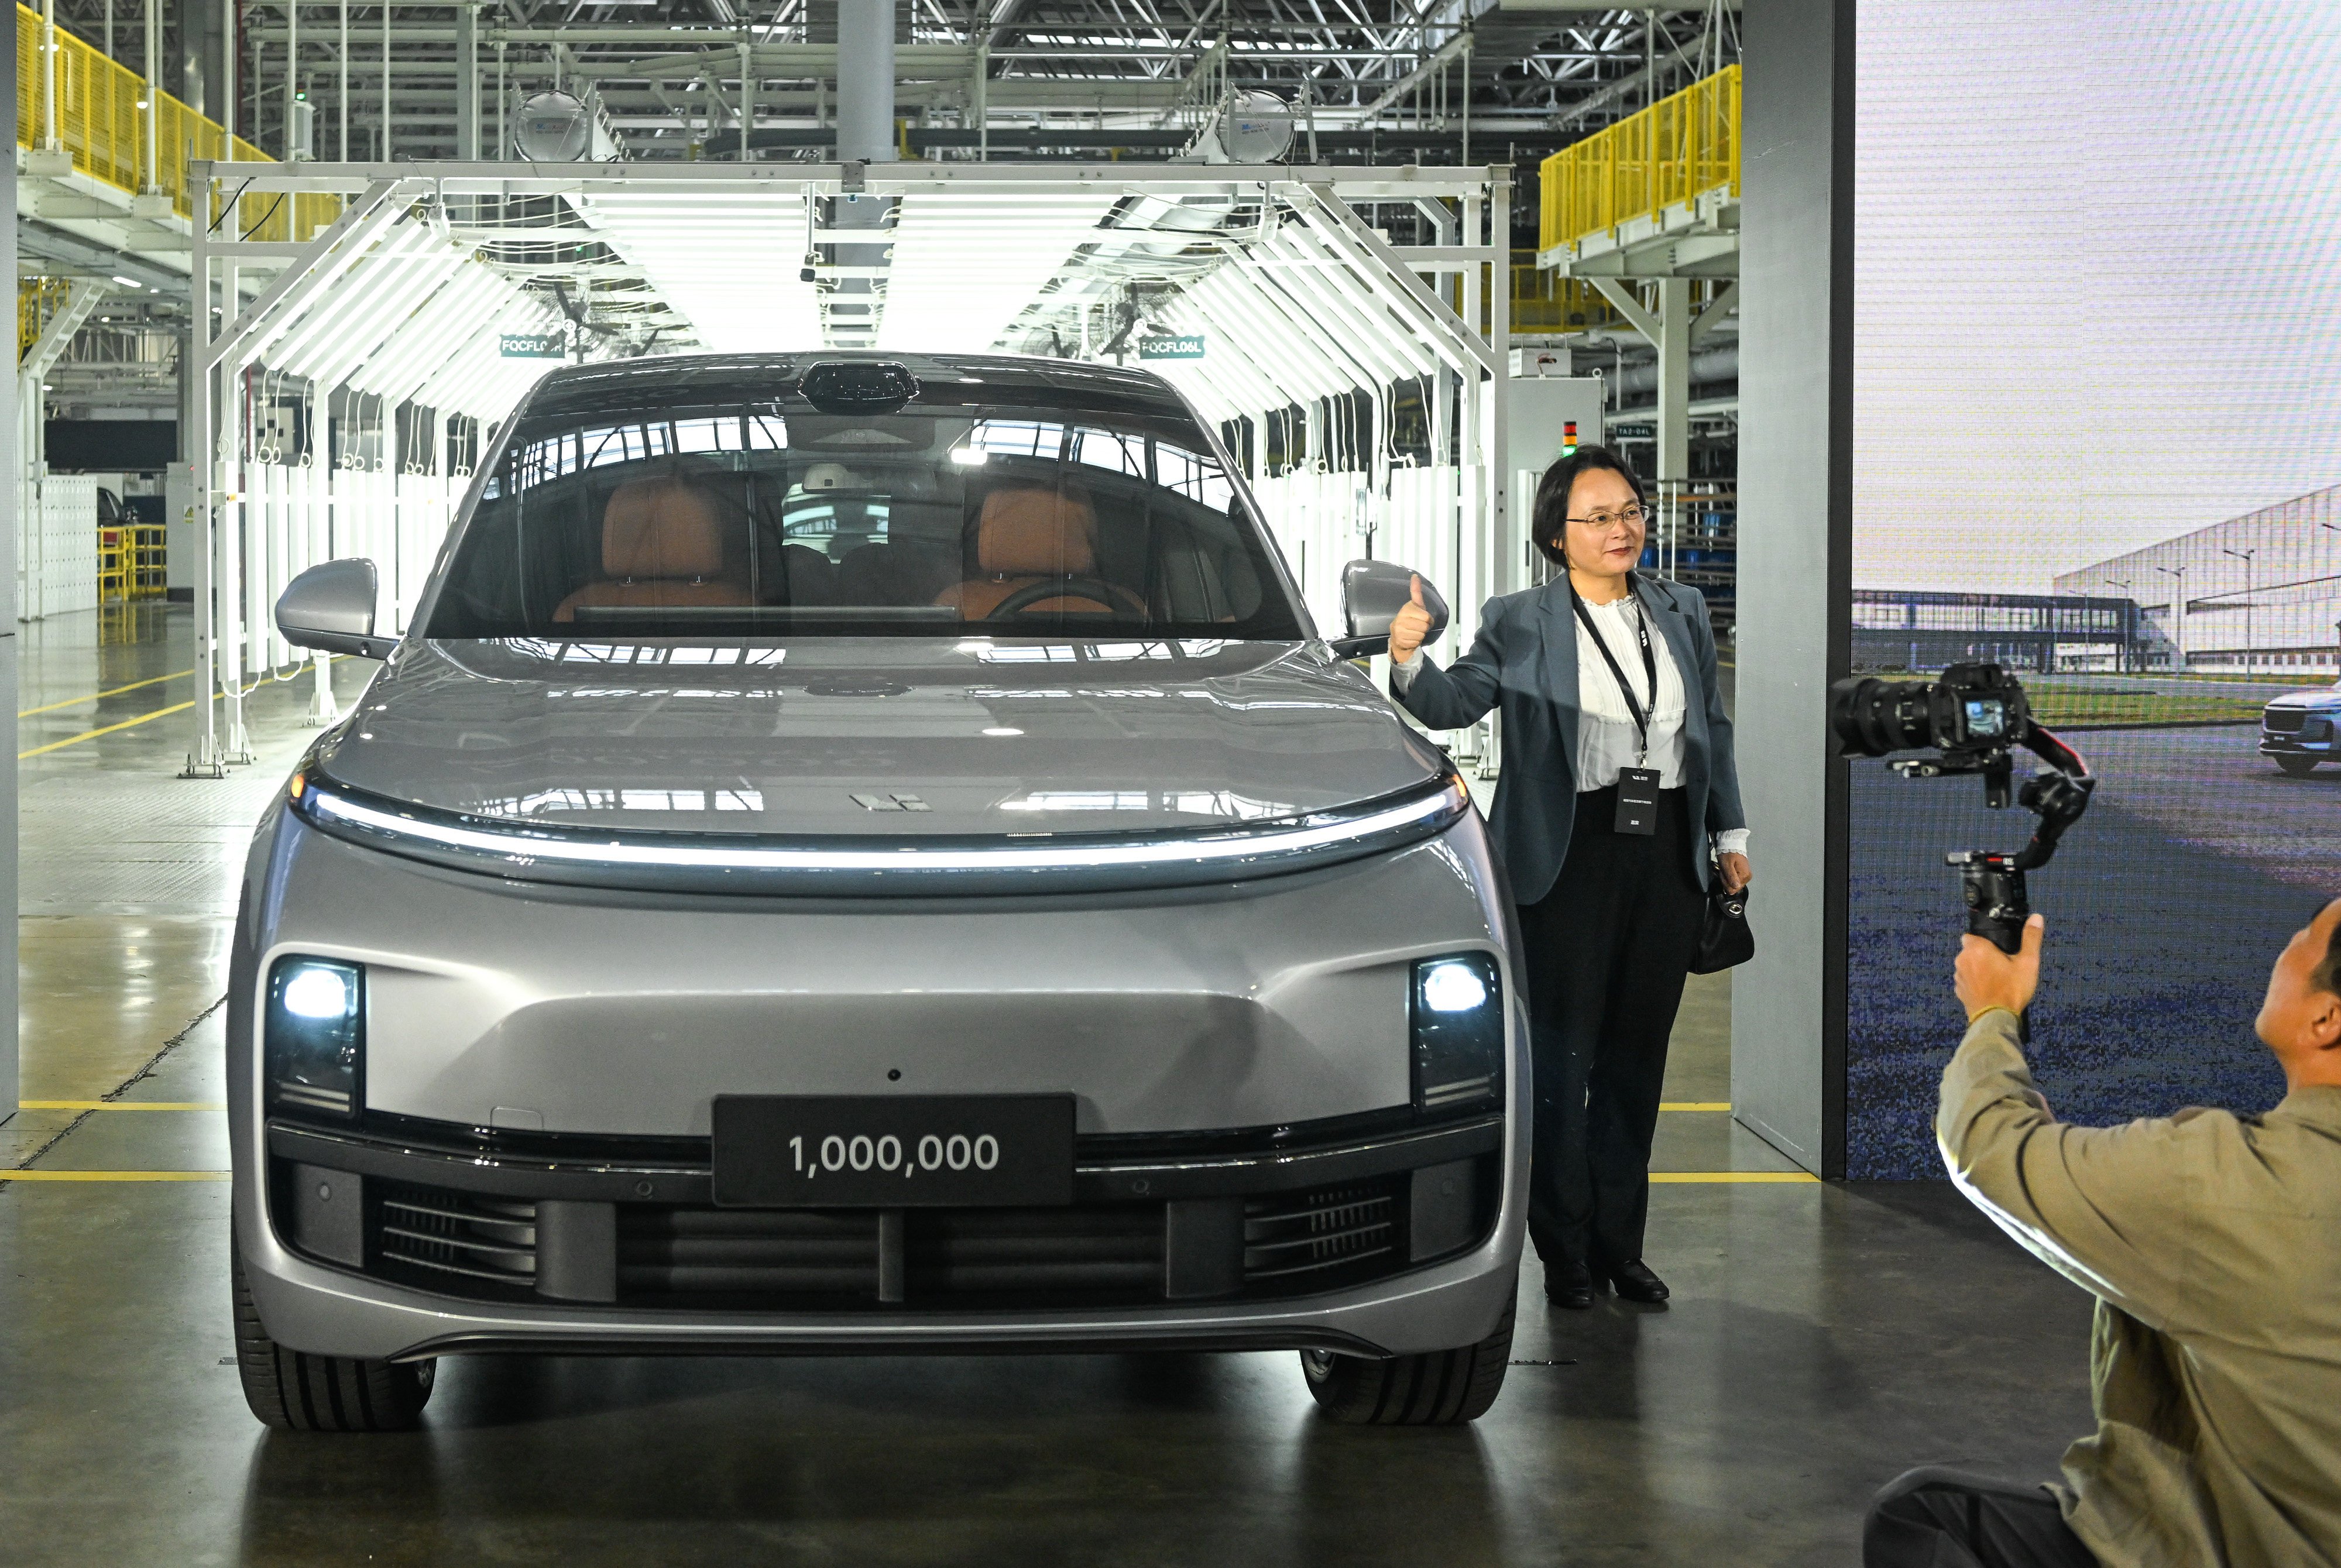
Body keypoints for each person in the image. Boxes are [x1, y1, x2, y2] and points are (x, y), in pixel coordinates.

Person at [1863, 902, 2341, 1567]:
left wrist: (1992, 1011)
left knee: (1918, 1520)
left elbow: (1985, 1144)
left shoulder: (2231, 1180)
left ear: (2327, 1019)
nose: (2283, 949)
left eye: (2300, 940)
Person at [1386, 444, 1749, 1309]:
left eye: (1631, 510)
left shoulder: (1682, 608)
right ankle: (1567, 1252)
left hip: (1664, 852)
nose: (1622, 529)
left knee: (1635, 1061)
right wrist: (1407, 658)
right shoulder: (1519, 618)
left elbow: (1713, 727)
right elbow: (1451, 704)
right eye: (1600, 516)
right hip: (1566, 855)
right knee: (1560, 1060)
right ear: (1558, 534)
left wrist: (1727, 829)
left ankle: (1624, 1247)